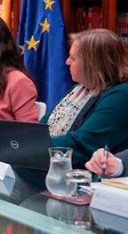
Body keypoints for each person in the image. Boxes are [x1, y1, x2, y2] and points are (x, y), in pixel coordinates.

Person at [44, 29, 128, 167]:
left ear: (93, 64)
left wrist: (31, 146)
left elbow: (82, 145)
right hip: (54, 165)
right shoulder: (78, 90)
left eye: (73, 58)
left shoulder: (121, 96)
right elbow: (43, 126)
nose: (67, 62)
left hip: (85, 177)